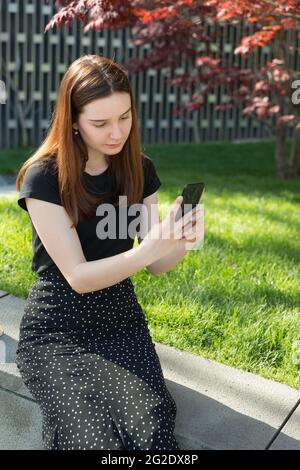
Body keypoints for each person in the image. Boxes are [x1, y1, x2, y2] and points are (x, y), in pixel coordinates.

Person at [15, 54, 204, 450]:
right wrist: (150, 248)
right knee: (90, 437)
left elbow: (155, 265)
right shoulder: (44, 176)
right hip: (57, 326)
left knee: (150, 429)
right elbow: (78, 277)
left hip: (120, 320)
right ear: (73, 122)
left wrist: (180, 240)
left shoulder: (137, 169)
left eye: (125, 117)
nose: (116, 132)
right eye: (100, 123)